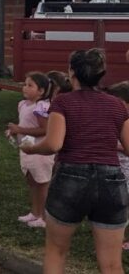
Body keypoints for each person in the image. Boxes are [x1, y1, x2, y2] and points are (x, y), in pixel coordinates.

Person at [22, 49, 129, 273]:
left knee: (56, 251)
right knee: (111, 262)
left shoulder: (63, 103)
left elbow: (53, 144)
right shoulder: (117, 105)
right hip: (111, 180)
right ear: (101, 73)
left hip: (71, 176)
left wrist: (31, 149)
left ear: (72, 71)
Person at [6, 72, 54, 229]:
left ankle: (45, 217)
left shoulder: (41, 107)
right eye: (24, 84)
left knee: (42, 183)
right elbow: (24, 124)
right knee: (32, 181)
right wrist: (14, 132)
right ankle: (35, 212)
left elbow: (44, 129)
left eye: (30, 85)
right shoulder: (22, 104)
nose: (25, 88)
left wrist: (20, 128)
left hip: (39, 151)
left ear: (41, 91)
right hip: (27, 150)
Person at [104, 81, 129, 251]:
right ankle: (117, 237)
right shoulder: (115, 121)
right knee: (116, 204)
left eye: (118, 104)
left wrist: (114, 146)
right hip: (115, 169)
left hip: (127, 170)